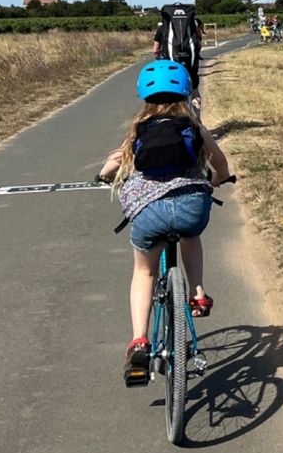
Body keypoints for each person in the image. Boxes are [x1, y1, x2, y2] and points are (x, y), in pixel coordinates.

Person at [95, 60, 232, 386]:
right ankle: (197, 293)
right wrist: (220, 179)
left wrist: (103, 176)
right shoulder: (193, 125)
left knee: (144, 271)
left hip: (149, 213)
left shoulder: (139, 128)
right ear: (185, 91)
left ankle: (139, 341)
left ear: (144, 94)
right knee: (190, 237)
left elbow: (112, 165)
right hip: (190, 207)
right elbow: (221, 164)